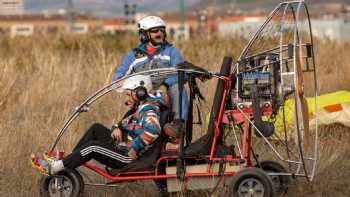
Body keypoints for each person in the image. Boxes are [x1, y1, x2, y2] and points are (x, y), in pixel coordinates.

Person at [31, 75, 169, 175]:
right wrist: (117, 128)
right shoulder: (140, 108)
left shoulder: (148, 109)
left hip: (126, 157)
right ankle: (68, 161)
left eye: (128, 95)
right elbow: (123, 123)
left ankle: (55, 168)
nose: (126, 100)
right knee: (96, 128)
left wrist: (134, 147)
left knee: (93, 146)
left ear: (139, 94)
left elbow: (154, 129)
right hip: (121, 146)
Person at [112, 15, 188, 122]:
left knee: (178, 87)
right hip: (142, 96)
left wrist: (164, 85)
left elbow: (182, 73)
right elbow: (117, 80)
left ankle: (177, 125)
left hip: (165, 96)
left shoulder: (172, 51)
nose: (159, 33)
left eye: (162, 30)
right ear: (144, 34)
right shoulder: (133, 56)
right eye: (155, 31)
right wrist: (135, 87)